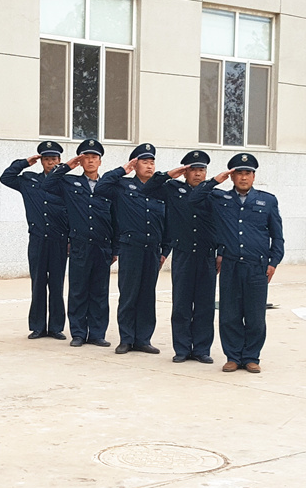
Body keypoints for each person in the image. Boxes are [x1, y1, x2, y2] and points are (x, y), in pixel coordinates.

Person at [189, 153, 284, 373]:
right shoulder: (219, 198)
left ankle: (251, 357)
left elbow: (277, 235)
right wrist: (215, 180)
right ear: (232, 176)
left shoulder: (268, 200)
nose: (243, 177)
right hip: (231, 265)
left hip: (257, 266)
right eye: (239, 173)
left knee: (255, 315)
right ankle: (233, 356)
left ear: (254, 176)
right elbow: (194, 199)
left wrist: (274, 262)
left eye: (248, 173)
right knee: (229, 314)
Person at [143, 150, 217, 364]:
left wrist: (220, 252)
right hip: (183, 254)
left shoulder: (213, 194)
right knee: (181, 304)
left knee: (204, 305)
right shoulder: (173, 189)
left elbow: (222, 225)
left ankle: (202, 349)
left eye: (201, 170)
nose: (198, 174)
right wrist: (168, 174)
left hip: (206, 255)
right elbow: (148, 189)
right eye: (193, 170)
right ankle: (182, 349)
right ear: (185, 172)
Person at [43, 139, 117, 348]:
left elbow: (116, 219)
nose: (90, 161)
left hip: (102, 246)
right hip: (79, 245)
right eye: (86, 158)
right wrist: (67, 166)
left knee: (99, 292)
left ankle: (97, 334)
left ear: (100, 162)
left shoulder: (109, 187)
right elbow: (47, 184)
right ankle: (78, 333)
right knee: (78, 291)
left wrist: (115, 249)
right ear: (81, 161)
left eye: (94, 157)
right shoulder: (69, 183)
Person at [96, 143, 168, 355]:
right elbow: (101, 187)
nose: (149, 166)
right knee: (128, 294)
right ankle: (126, 339)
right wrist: (122, 169)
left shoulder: (162, 190)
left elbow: (170, 222)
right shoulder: (122, 186)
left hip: (153, 250)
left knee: (147, 296)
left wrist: (165, 251)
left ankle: (143, 339)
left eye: (152, 162)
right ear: (135, 165)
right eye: (144, 162)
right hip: (130, 248)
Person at [0, 141, 69, 340]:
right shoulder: (29, 180)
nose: (50, 163)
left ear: (60, 160)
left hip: (59, 240)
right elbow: (6, 178)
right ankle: (38, 327)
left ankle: (56, 327)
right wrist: (24, 163)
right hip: (38, 240)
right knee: (38, 284)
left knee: (56, 285)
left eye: (54, 159)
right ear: (41, 162)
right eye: (46, 159)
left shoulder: (66, 183)